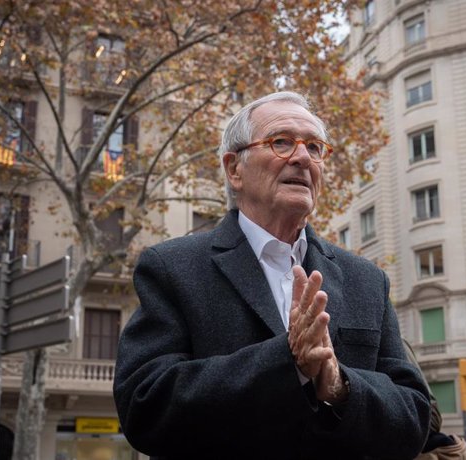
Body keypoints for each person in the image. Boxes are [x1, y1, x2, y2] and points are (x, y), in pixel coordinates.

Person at [113, 91, 431, 459]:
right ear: (235, 169)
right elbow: (144, 406)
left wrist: (339, 384)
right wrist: (287, 361)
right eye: (281, 142)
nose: (301, 157)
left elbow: (414, 417)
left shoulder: (367, 280)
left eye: (314, 147)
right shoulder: (173, 268)